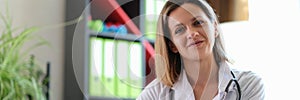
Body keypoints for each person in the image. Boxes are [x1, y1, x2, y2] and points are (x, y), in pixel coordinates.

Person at [137, 0, 265, 100]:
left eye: (197, 22)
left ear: (214, 27)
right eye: (180, 30)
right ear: (172, 45)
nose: (192, 33)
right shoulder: (154, 95)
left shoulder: (248, 84)